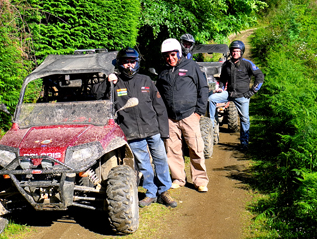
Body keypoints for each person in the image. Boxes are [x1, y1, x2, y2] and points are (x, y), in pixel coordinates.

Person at [102, 47, 177, 208]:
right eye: (126, 62)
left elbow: (160, 107)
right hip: (131, 132)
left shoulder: (146, 80)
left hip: (152, 129)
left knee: (161, 160)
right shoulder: (115, 83)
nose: (129, 65)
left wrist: (164, 131)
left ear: (137, 63)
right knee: (144, 164)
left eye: (132, 62)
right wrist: (107, 82)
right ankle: (150, 193)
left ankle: (164, 191)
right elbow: (99, 98)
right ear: (120, 64)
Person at [155, 38, 209, 192]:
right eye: (167, 56)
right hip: (170, 118)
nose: (170, 58)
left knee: (196, 148)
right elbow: (158, 93)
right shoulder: (163, 71)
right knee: (172, 150)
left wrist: (198, 111)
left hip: (189, 115)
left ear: (178, 53)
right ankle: (178, 178)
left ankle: (200, 180)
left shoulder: (191, 66)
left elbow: (203, 88)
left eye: (173, 55)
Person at [208, 40, 264, 151]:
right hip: (229, 93)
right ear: (231, 52)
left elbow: (260, 76)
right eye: (233, 51)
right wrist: (221, 88)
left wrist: (252, 91)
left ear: (242, 52)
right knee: (211, 99)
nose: (235, 53)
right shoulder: (226, 64)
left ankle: (244, 142)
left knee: (245, 119)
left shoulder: (247, 64)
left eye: (238, 51)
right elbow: (223, 79)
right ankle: (212, 127)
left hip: (242, 96)